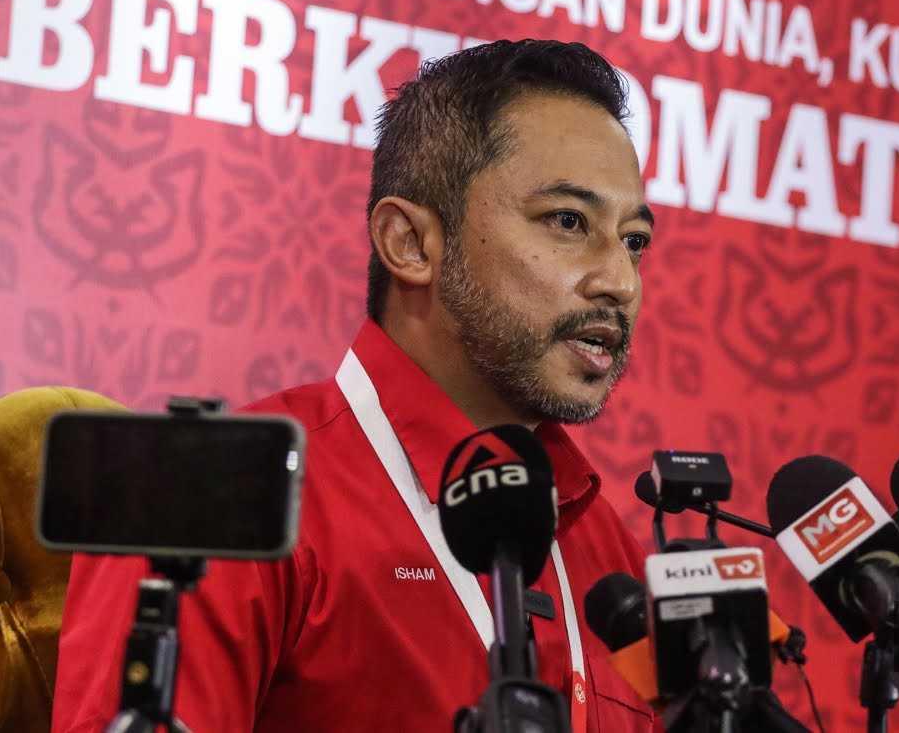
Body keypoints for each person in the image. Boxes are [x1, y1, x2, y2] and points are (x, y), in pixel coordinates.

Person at [52, 40, 658, 732]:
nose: (620, 280)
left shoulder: (600, 540)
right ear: (410, 243)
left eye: (634, 240)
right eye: (569, 222)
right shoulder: (209, 501)